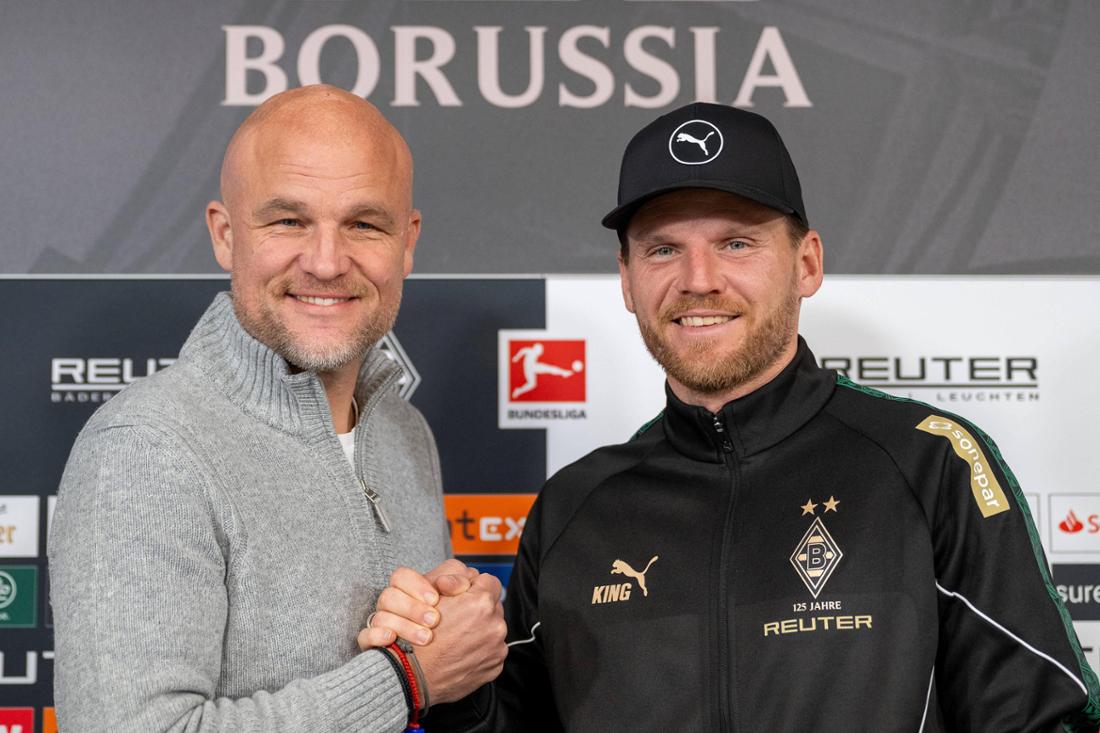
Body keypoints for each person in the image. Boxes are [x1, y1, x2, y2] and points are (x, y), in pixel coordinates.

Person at [373, 102, 1100, 731]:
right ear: (626, 280)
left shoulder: (930, 466)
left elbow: (1042, 715)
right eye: (663, 248)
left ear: (807, 262)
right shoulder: (575, 509)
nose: (698, 280)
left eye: (736, 242)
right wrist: (458, 685)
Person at [48, 84, 506, 732]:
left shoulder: (405, 432)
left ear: (407, 241)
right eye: (288, 220)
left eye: (363, 223)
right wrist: (406, 679)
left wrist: (451, 639)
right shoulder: (144, 449)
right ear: (226, 234)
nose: (325, 261)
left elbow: (427, 676)